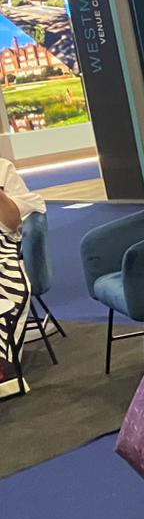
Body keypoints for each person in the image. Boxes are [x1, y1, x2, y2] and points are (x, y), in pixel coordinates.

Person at [0, 155, 44, 397]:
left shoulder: (2, 167)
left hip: (2, 247)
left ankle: (1, 360)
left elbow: (13, 223)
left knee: (9, 285)